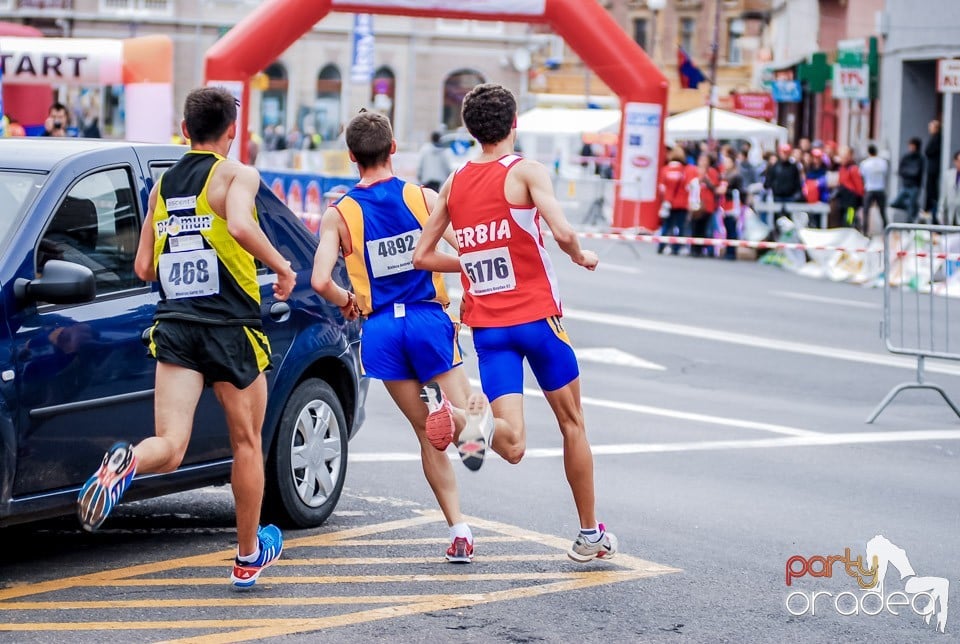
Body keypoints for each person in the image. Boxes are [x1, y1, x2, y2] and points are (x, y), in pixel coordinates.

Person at [76, 87, 298, 589]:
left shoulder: (162, 185)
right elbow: (240, 223)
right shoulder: (237, 174)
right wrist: (281, 267)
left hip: (176, 326)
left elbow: (141, 267)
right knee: (246, 443)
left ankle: (127, 461)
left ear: (184, 130)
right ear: (230, 133)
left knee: (170, 445)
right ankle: (246, 558)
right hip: (231, 329)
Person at [412, 83, 617, 564]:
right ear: (514, 122)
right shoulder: (525, 170)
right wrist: (580, 255)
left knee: (512, 442)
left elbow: (422, 255)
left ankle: (461, 418)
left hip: (489, 328)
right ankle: (589, 535)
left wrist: (469, 261)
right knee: (572, 424)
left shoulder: (455, 181)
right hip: (538, 319)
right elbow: (562, 230)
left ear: (469, 128)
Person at [311, 110, 523, 563]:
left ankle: (460, 530)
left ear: (351, 156)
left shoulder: (339, 214)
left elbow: (318, 281)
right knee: (473, 429)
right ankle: (467, 426)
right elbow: (464, 250)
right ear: (393, 149)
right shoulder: (424, 197)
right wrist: (469, 286)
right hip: (428, 321)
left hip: (382, 329)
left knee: (428, 435)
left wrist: (346, 298)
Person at [657, 146, 698, 255]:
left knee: (666, 226)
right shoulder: (686, 170)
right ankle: (676, 248)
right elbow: (691, 186)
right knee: (680, 226)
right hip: (682, 203)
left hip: (668, 202)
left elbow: (661, 188)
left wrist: (665, 200)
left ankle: (661, 246)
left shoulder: (665, 169)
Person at [891, 137, 924, 223]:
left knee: (911, 207)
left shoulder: (920, 158)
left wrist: (907, 172)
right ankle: (915, 208)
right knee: (895, 203)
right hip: (906, 185)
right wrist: (909, 172)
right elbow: (901, 170)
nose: (910, 147)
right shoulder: (906, 157)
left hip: (914, 186)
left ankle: (909, 224)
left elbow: (916, 172)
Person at [831, 147, 864, 229]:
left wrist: (860, 197)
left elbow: (859, 186)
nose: (842, 159)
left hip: (851, 201)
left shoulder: (853, 169)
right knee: (841, 219)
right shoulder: (842, 168)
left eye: (845, 157)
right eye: (841, 156)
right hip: (842, 199)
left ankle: (850, 229)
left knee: (849, 219)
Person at [860, 144, 889, 236]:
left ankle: (865, 231)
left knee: (866, 211)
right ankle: (886, 230)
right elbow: (885, 173)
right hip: (880, 188)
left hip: (869, 188)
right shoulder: (883, 162)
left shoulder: (865, 163)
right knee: (882, 211)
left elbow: (862, 175)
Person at [924, 119, 942, 217]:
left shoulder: (937, 138)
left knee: (932, 193)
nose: (929, 129)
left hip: (934, 169)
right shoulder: (934, 138)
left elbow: (928, 151)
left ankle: (933, 213)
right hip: (932, 169)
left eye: (931, 127)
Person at [938, 151, 960, 227]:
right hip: (950, 215)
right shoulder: (948, 175)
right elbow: (943, 195)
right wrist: (940, 213)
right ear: (955, 161)